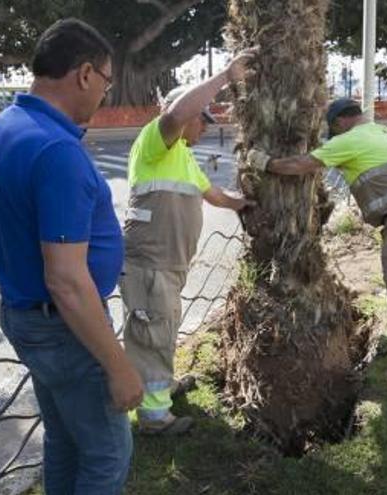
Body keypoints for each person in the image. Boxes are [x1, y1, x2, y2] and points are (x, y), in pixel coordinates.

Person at [0, 18, 143, 494]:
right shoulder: (55, 150)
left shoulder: (4, 127)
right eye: (108, 81)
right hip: (64, 327)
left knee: (67, 440)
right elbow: (67, 282)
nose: (105, 94)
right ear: (86, 74)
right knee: (108, 453)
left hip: (27, 317)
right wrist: (119, 366)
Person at [244, 98, 387, 404]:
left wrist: (263, 162)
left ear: (340, 123)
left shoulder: (350, 139)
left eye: (334, 131)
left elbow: (299, 165)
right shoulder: (386, 133)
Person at [121, 51, 254, 435]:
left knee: (162, 328)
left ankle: (162, 389)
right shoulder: (154, 141)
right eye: (203, 119)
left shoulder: (183, 158)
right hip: (151, 263)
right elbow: (177, 115)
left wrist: (244, 203)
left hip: (169, 265)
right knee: (151, 334)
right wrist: (226, 77)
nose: (207, 128)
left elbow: (213, 195)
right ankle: (154, 417)